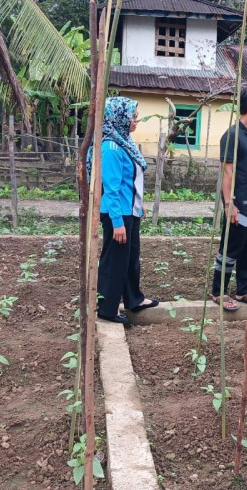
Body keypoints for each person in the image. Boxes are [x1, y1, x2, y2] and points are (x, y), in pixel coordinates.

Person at [87, 97, 158, 323]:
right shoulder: (110, 147)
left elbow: (131, 181)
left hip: (130, 210)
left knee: (130, 258)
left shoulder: (124, 141)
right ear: (119, 117)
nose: (135, 121)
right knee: (114, 261)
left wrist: (138, 206)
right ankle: (107, 309)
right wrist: (117, 222)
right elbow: (112, 188)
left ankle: (133, 299)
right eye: (132, 116)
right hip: (116, 212)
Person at [211, 87, 247, 311]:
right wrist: (229, 205)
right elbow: (228, 172)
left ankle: (243, 290)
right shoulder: (232, 136)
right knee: (231, 248)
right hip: (239, 208)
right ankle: (219, 291)